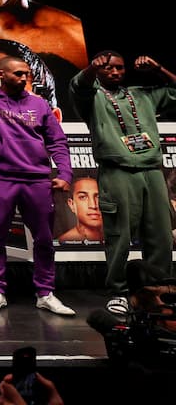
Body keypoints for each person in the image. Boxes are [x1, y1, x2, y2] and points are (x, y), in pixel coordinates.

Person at [0, 56, 77, 316]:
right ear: (2, 74)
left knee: (44, 239)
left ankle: (45, 292)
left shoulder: (40, 104)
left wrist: (65, 174)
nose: (24, 78)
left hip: (36, 179)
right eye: (17, 74)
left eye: (26, 74)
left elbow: (57, 142)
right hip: (2, 178)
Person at [69, 50, 176, 315]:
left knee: (160, 235)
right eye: (108, 69)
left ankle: (158, 290)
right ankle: (117, 291)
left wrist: (158, 68)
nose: (115, 73)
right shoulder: (92, 96)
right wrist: (92, 69)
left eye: (120, 68)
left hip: (151, 170)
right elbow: (78, 85)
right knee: (119, 234)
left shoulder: (142, 94)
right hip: (117, 171)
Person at [54, 176, 103, 242]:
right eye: (83, 197)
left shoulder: (117, 240)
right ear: (71, 204)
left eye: (98, 197)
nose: (93, 205)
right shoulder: (64, 241)